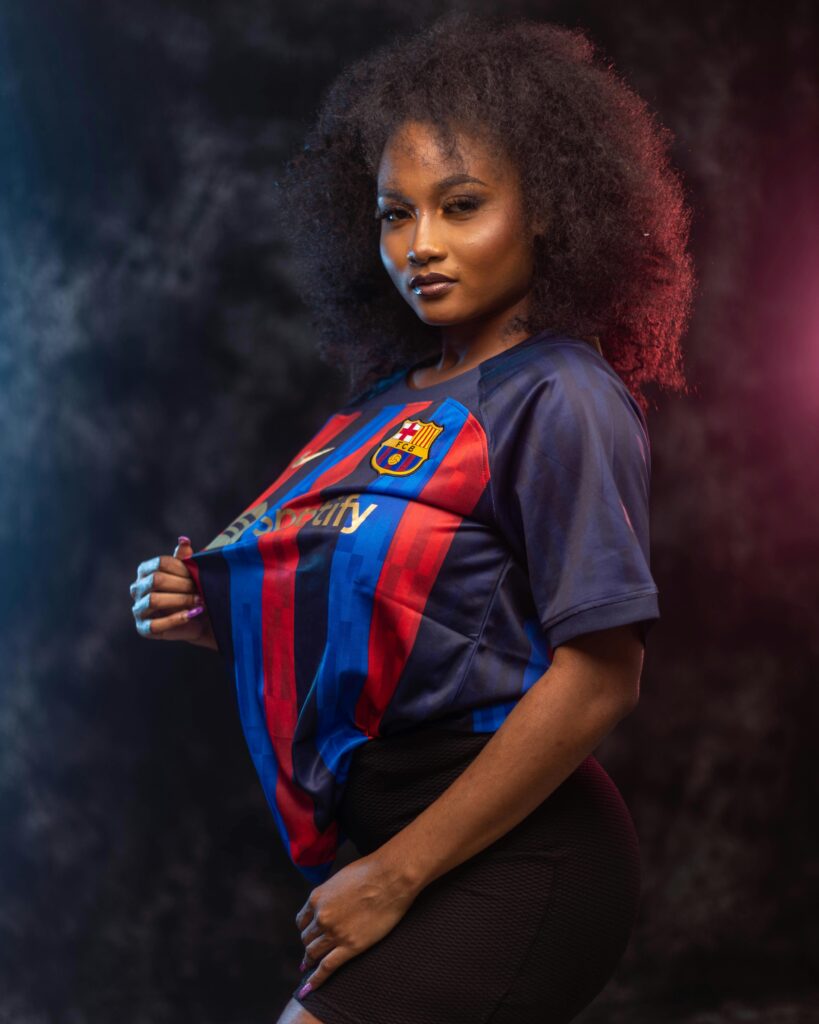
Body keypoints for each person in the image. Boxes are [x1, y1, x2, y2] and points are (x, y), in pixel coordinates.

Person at [130, 11, 694, 1024]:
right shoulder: (385, 405)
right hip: (394, 843)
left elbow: (603, 676)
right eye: (396, 214)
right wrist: (207, 607)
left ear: (549, 209)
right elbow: (382, 611)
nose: (420, 246)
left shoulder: (561, 395)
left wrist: (394, 874)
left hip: (522, 852)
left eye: (461, 205)